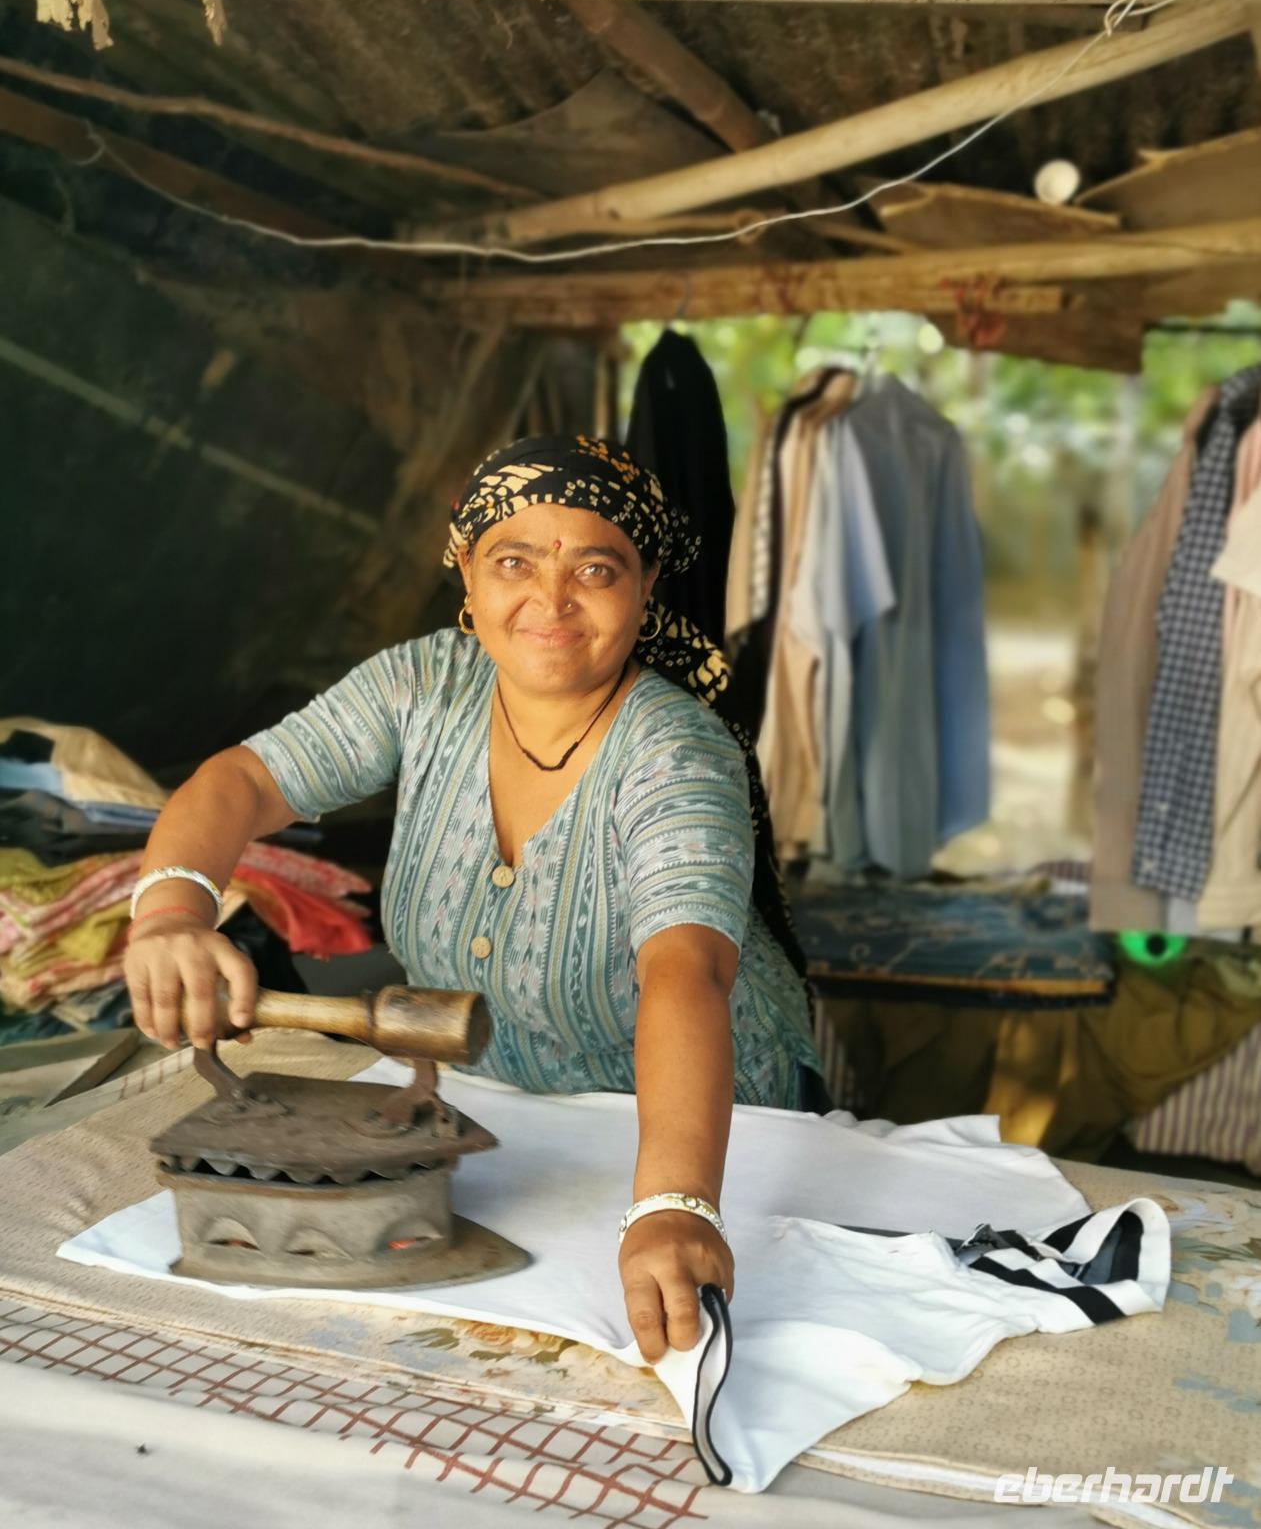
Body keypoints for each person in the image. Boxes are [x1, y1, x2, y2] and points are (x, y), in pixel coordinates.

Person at [124, 434, 823, 1364]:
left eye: (596, 568)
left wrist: (673, 1204)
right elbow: (245, 782)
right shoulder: (422, 685)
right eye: (513, 561)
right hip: (512, 1121)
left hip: (697, 1134)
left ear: (645, 583)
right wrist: (172, 912)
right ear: (465, 570)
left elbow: (682, 972)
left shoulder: (674, 753)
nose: (549, 598)